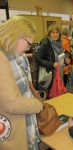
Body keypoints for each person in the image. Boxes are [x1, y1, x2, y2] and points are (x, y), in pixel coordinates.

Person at [0, 16, 43, 150]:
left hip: (20, 122)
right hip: (11, 127)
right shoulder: (2, 60)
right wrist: (37, 105)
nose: (29, 48)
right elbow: (12, 103)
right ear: (18, 36)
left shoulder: (15, 57)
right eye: (29, 44)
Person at [35, 24, 65, 97]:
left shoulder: (59, 45)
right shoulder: (45, 44)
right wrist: (51, 64)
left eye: (57, 32)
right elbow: (38, 58)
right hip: (49, 75)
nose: (55, 34)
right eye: (53, 32)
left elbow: (59, 58)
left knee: (58, 95)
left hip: (59, 73)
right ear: (49, 34)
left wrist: (66, 60)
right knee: (51, 96)